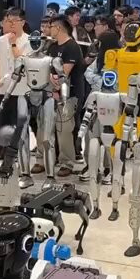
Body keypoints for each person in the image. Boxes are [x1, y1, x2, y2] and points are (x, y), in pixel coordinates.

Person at [45, 15, 84, 177]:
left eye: (51, 26)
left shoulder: (72, 47)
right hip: (52, 93)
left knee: (65, 128)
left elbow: (64, 73)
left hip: (70, 94)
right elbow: (47, 68)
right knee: (49, 127)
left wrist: (53, 79)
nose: (49, 29)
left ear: (59, 27)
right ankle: (51, 158)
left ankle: (67, 162)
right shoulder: (52, 47)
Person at [0, 7, 31, 153]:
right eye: (9, 20)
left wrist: (13, 43)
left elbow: (21, 60)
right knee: (1, 121)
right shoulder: (1, 40)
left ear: (23, 22)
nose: (11, 24)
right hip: (2, 88)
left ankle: (19, 152)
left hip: (21, 89)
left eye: (15, 21)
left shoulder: (29, 41)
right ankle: (1, 151)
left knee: (19, 122)